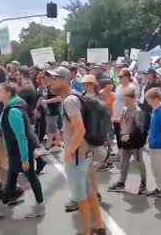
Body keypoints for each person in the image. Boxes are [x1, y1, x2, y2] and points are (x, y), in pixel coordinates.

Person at [47, 67, 106, 235]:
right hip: (84, 153)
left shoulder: (69, 101)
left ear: (65, 80)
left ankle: (86, 231)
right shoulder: (75, 96)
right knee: (88, 190)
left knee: (81, 196)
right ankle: (99, 225)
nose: (51, 82)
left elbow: (80, 130)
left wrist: (68, 151)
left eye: (54, 78)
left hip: (77, 155)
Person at [0, 82, 45, 219]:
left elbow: (21, 137)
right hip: (14, 152)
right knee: (12, 179)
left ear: (8, 93)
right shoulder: (9, 107)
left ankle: (40, 206)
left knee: (31, 178)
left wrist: (25, 159)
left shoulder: (13, 111)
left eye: (0, 91)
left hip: (20, 152)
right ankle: (2, 206)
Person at [108, 87, 147, 195]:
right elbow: (122, 122)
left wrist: (130, 136)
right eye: (125, 100)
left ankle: (143, 183)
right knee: (124, 163)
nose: (126, 102)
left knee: (140, 164)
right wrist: (114, 121)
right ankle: (121, 182)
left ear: (134, 99)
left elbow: (140, 129)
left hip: (135, 144)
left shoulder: (138, 112)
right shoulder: (124, 109)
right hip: (125, 142)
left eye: (128, 100)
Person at [112, 68, 137, 155]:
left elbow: (130, 102)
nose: (119, 78)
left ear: (127, 77)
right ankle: (120, 152)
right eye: (119, 76)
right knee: (118, 133)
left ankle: (126, 153)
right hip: (116, 113)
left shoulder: (131, 87)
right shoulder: (119, 86)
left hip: (125, 114)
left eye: (121, 76)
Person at [39, 72, 62, 153]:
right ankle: (58, 144)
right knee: (53, 128)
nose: (42, 79)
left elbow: (59, 98)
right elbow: (43, 97)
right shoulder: (47, 87)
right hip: (48, 111)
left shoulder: (54, 87)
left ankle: (48, 147)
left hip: (53, 110)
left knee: (51, 129)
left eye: (44, 77)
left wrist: (47, 101)